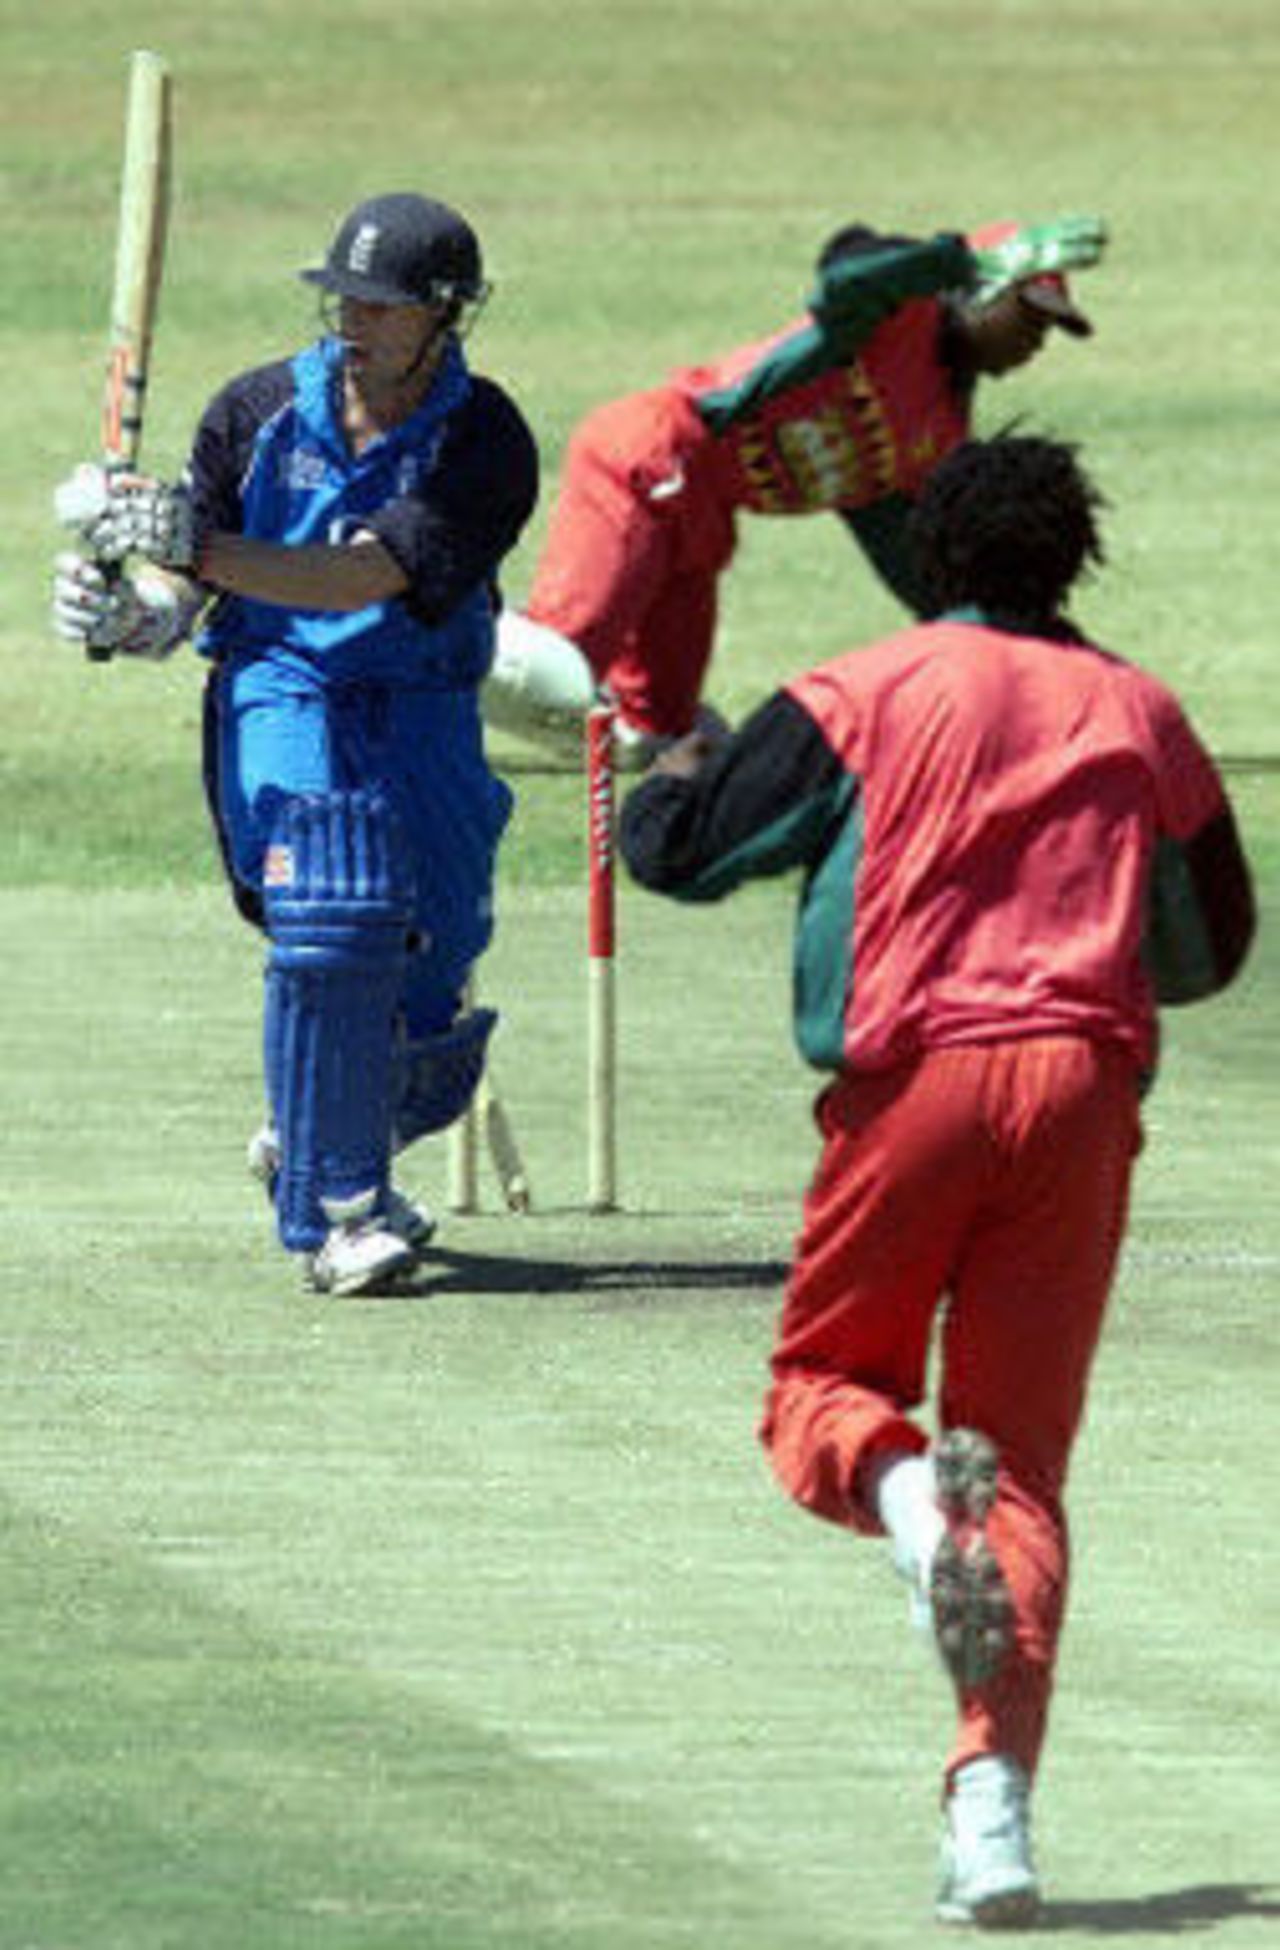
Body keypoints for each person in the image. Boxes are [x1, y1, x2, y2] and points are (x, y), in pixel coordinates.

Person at [617, 433, 1255, 1925]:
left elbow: (691, 851)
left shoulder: (864, 691)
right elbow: (1210, 948)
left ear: (934, 558)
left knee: (823, 1391)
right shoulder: (1140, 710)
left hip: (919, 1085)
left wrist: (671, 765)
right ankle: (993, 1819)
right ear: (1071, 563)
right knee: (1016, 1468)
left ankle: (910, 1512)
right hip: (1087, 1096)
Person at [53, 191, 539, 1295]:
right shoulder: (257, 407)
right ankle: (338, 1213)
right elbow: (187, 585)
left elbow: (364, 575)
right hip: (285, 687)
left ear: (444, 314)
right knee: (335, 902)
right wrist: (136, 615)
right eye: (342, 298)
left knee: (435, 980)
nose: (353, 320)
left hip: (422, 704)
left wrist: (194, 543)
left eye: (381, 304)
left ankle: (317, 1133)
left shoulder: (483, 439)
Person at [485, 215, 1106, 763]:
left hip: (704, 521)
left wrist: (1025, 659)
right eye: (1027, 318)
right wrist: (960, 259)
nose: (1033, 343)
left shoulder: (941, 434)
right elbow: (849, 272)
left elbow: (923, 573)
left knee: (656, 734)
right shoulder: (893, 315)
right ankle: (412, 633)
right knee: (552, 670)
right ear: (981, 293)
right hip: (653, 454)